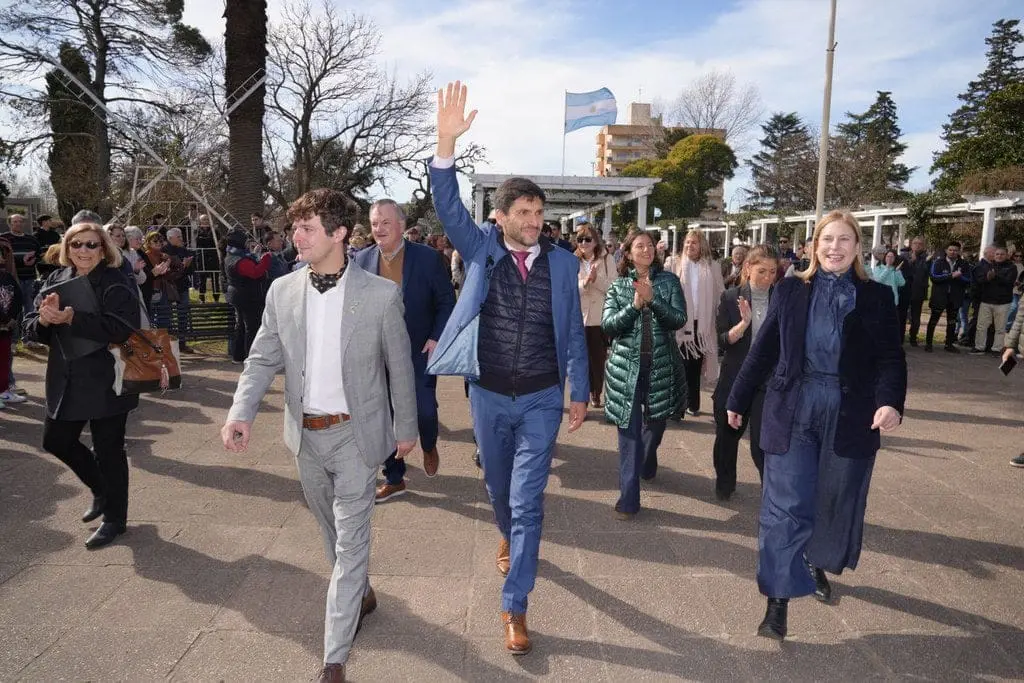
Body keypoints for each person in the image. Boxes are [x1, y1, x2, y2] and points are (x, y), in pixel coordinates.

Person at [221, 188, 417, 683]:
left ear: (339, 233)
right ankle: (360, 591)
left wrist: (407, 428)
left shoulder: (380, 294)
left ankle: (334, 658)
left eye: (307, 229)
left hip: (356, 436)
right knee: (330, 532)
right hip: (304, 437)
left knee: (351, 541)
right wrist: (241, 411)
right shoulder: (282, 291)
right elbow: (262, 358)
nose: (296, 237)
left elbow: (400, 368)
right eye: (295, 228)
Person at [426, 81, 588, 656]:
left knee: (528, 502)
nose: (535, 220)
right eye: (524, 212)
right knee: (499, 489)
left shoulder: (563, 265)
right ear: (500, 218)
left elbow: (573, 332)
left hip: (542, 397)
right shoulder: (482, 250)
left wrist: (578, 389)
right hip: (489, 395)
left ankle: (515, 606)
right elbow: (448, 207)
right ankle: (505, 533)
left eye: (540, 213)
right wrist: (446, 144)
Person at [726, 210, 907, 641]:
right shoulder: (790, 290)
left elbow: (891, 358)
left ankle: (813, 559)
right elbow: (765, 348)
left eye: (844, 240)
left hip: (849, 414)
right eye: (827, 239)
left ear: (857, 247)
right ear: (813, 246)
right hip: (793, 409)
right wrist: (736, 398)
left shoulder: (877, 297)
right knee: (783, 506)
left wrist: (890, 402)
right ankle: (778, 601)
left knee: (832, 500)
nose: (834, 248)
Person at [24, 216, 142, 549]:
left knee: (109, 450)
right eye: (76, 244)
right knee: (55, 440)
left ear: (104, 249)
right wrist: (45, 320)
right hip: (65, 377)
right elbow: (31, 327)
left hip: (107, 377)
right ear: (67, 248)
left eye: (92, 244)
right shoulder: (56, 279)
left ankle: (115, 519)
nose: (84, 250)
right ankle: (102, 490)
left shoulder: (117, 281)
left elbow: (122, 329)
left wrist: (73, 318)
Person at [355, 198, 455, 501]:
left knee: (424, 411)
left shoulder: (427, 258)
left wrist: (436, 337)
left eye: (386, 222)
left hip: (418, 350)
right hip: (376, 354)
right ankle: (395, 477)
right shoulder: (360, 260)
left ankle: (428, 444)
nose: (379, 229)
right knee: (384, 414)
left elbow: (446, 302)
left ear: (401, 225)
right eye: (374, 223)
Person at [602, 230, 687, 517]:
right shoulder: (618, 287)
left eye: (650, 245)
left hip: (661, 366)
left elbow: (679, 319)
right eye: (640, 246)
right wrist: (635, 305)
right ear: (627, 253)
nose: (647, 250)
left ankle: (647, 461)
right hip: (625, 369)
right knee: (629, 435)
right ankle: (629, 500)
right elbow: (609, 326)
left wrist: (653, 300)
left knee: (656, 425)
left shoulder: (669, 281)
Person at [712, 245, 778, 500]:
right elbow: (722, 340)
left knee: (763, 444)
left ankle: (772, 494)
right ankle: (725, 483)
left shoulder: (782, 298)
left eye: (773, 272)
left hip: (768, 383)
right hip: (735, 378)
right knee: (726, 439)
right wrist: (744, 324)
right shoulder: (731, 297)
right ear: (748, 268)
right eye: (762, 271)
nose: (768, 277)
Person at [667, 229, 724, 417]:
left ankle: (693, 403)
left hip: (702, 326)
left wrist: (723, 315)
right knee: (680, 365)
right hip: (680, 323)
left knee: (695, 366)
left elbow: (720, 293)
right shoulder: (674, 263)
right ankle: (678, 406)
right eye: (687, 242)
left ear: (701, 246)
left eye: (694, 242)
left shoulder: (712, 266)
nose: (689, 245)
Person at [575, 220, 616, 408]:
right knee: (580, 361)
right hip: (578, 318)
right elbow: (568, 288)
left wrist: (596, 279)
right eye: (580, 239)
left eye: (587, 239)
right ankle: (581, 396)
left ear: (595, 241)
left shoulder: (607, 259)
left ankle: (596, 392)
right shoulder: (572, 260)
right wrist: (584, 283)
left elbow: (613, 288)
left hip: (599, 318)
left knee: (598, 360)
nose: (584, 243)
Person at [223, 229, 271, 364]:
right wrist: (266, 258)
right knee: (251, 326)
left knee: (241, 326)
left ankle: (238, 356)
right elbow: (255, 272)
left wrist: (255, 254)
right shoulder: (239, 260)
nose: (247, 243)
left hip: (238, 294)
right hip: (246, 296)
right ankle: (251, 356)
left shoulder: (231, 255)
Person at [925, 241, 970, 353]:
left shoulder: (964, 264)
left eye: (955, 250)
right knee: (933, 320)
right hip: (939, 296)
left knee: (952, 322)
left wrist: (959, 277)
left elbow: (969, 279)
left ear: (959, 251)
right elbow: (934, 277)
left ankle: (949, 344)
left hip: (955, 297)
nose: (952, 252)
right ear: (946, 250)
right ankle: (928, 344)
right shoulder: (938, 262)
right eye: (950, 250)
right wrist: (950, 276)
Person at [971, 245, 1017, 355]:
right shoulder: (988, 266)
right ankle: (979, 347)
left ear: (1007, 255)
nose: (999, 256)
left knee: (1000, 328)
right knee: (981, 326)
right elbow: (980, 280)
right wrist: (987, 278)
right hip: (986, 301)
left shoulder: (1011, 267)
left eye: (1002, 254)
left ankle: (996, 349)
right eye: (997, 254)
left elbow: (1009, 282)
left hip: (1003, 302)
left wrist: (995, 277)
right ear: (994, 255)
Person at [0, 238, 26, 407]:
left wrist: (11, 318)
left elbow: (18, 298)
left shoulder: (7, 276)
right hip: (2, 323)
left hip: (5, 328)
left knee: (4, 360)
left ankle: (3, 391)